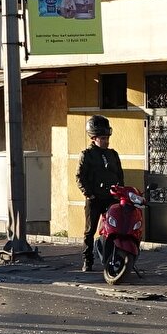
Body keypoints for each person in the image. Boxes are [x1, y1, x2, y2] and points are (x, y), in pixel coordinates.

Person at [75, 115, 124, 272]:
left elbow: (119, 175)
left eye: (107, 137)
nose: (106, 141)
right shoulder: (87, 155)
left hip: (111, 199)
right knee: (90, 231)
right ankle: (87, 260)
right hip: (94, 199)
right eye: (103, 138)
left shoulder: (113, 154)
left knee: (113, 229)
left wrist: (120, 192)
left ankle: (111, 258)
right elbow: (79, 177)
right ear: (94, 138)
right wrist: (89, 194)